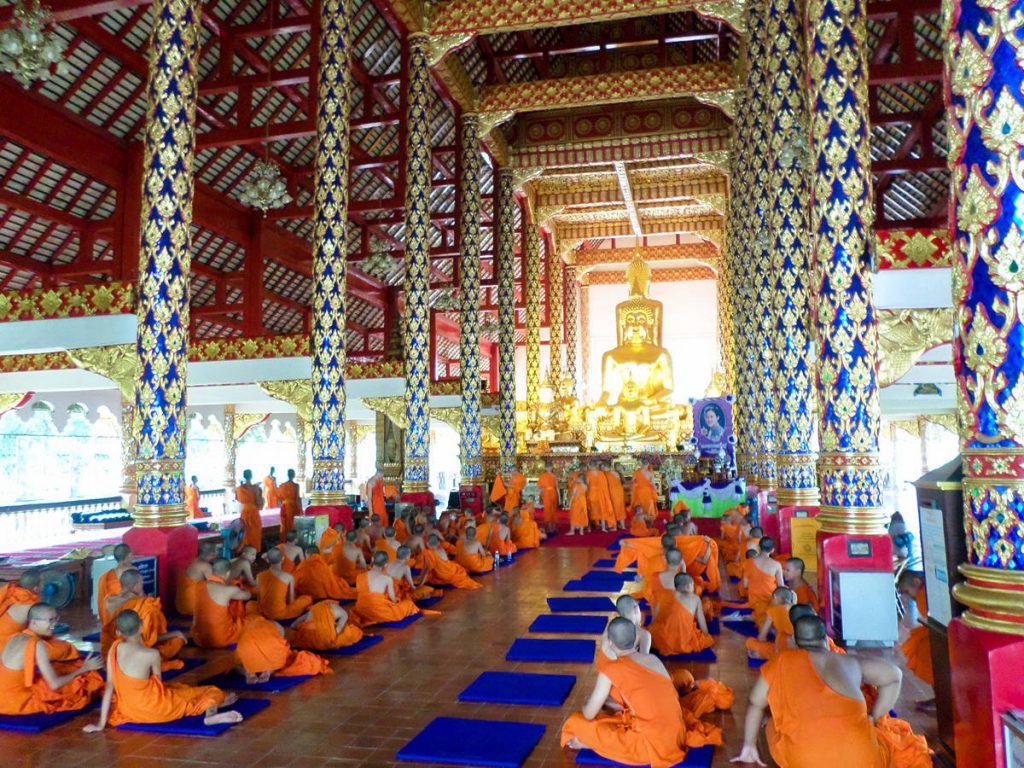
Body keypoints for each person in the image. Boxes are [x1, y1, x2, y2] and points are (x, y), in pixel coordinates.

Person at [731, 616, 931, 767]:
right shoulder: (849, 661)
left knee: (771, 724)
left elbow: (755, 703)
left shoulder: (782, 661)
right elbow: (894, 675)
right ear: (826, 640)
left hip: (806, 760)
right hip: (863, 760)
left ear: (795, 643)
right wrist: (874, 716)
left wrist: (748, 744)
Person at [561, 617, 689, 767]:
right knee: (612, 717)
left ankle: (587, 743)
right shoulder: (654, 659)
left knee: (575, 722)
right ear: (635, 639)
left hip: (649, 746)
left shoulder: (611, 669)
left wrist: (586, 703)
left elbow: (589, 714)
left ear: (610, 643)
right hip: (678, 734)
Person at [84, 609, 240, 730]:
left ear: (118, 632)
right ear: (142, 625)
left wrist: (100, 724)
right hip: (157, 708)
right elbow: (158, 684)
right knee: (212, 691)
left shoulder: (114, 648)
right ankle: (211, 713)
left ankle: (213, 707)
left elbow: (110, 685)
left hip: (130, 710)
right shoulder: (152, 654)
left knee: (181, 689)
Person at [0, 603, 103, 715]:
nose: (54, 624)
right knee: (81, 686)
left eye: (55, 619)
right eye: (50, 620)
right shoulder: (36, 644)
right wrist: (84, 668)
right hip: (17, 702)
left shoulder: (14, 636)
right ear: (34, 622)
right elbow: (54, 684)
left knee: (61, 669)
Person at [101, 569, 187, 664]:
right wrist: (175, 633)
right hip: (134, 649)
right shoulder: (144, 603)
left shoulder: (108, 599)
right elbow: (149, 638)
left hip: (111, 651)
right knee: (177, 639)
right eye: (141, 584)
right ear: (136, 585)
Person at [0, 571, 81, 662]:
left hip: (9, 638)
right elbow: (42, 631)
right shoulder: (31, 606)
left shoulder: (10, 592)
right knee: (65, 648)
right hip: (7, 646)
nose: (45, 586)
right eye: (43, 583)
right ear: (36, 589)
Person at [234, 614, 330, 684]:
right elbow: (281, 642)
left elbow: (239, 643)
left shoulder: (246, 626)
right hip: (269, 647)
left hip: (247, 648)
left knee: (237, 662)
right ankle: (269, 669)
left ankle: (248, 672)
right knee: (285, 654)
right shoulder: (274, 624)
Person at [191, 559, 252, 649]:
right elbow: (248, 595)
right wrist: (240, 586)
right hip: (222, 638)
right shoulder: (230, 590)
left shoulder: (198, 585)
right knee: (253, 619)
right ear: (228, 573)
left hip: (199, 638)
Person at [351, 551, 422, 626]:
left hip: (362, 611)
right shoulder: (387, 578)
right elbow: (393, 599)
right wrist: (396, 600)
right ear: (386, 564)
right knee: (409, 604)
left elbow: (362, 594)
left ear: (372, 559)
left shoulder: (360, 576)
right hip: (380, 612)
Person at [649, 574, 714, 656]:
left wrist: (651, 630)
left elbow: (655, 617)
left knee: (654, 630)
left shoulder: (663, 594)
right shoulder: (695, 598)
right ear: (688, 586)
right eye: (693, 585)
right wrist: (706, 635)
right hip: (684, 640)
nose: (694, 588)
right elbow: (701, 621)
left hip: (664, 641)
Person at [898, 570, 934, 696]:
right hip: (932, 629)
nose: (909, 597)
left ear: (916, 582)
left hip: (939, 632)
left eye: (907, 591)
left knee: (925, 655)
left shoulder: (924, 593)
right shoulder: (922, 593)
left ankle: (940, 698)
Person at [257, 548, 313, 621]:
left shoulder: (259, 576)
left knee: (250, 604)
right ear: (282, 559)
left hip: (263, 612)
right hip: (279, 614)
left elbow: (258, 600)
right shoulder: (288, 577)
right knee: (307, 599)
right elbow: (291, 601)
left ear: (268, 560)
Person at [287, 601, 364, 651]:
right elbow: (338, 630)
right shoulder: (343, 613)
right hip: (325, 637)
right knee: (354, 631)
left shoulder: (315, 609)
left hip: (309, 632)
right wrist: (329, 629)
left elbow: (293, 625)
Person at [745, 587, 797, 660]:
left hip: (783, 652)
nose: (770, 602)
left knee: (749, 642)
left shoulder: (773, 610)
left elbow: (762, 637)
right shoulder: (799, 609)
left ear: (775, 597)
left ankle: (763, 654)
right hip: (803, 652)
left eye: (771, 599)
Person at [744, 536, 784, 625]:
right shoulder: (777, 565)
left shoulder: (749, 562)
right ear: (772, 550)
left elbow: (745, 585)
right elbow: (781, 587)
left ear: (758, 547)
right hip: (770, 600)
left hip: (753, 600)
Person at [175, 541, 218, 616]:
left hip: (180, 606)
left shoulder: (191, 561)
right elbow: (216, 585)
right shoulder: (205, 566)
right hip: (194, 607)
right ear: (212, 554)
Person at [97, 543, 134, 625]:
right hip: (129, 608)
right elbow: (138, 592)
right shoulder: (133, 571)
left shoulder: (106, 576)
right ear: (129, 555)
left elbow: (102, 598)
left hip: (110, 608)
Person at [236, 470, 263, 551]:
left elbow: (238, 499)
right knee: (254, 532)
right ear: (251, 476)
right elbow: (259, 502)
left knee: (245, 531)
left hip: (245, 511)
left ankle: (245, 550)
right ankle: (254, 550)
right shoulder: (255, 488)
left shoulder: (239, 488)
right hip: (254, 511)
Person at [586, 461, 614, 531]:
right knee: (602, 510)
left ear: (590, 466)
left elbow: (587, 485)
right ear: (596, 466)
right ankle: (603, 528)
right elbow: (605, 484)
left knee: (590, 510)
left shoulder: (588, 474)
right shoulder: (601, 473)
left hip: (592, 494)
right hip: (601, 495)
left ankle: (589, 528)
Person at [277, 469, 302, 536]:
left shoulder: (282, 485)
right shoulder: (296, 486)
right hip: (293, 507)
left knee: (285, 523)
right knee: (292, 523)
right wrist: (301, 510)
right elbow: (298, 499)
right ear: (293, 475)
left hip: (284, 506)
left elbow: (279, 498)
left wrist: (284, 503)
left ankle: (284, 538)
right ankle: (292, 539)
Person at [537, 463, 560, 533]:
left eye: (550, 467)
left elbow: (557, 487)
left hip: (553, 493)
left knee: (553, 509)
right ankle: (550, 527)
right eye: (548, 467)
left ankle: (554, 526)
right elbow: (540, 487)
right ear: (546, 468)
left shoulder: (554, 476)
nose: (549, 469)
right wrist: (540, 496)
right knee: (547, 510)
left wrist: (559, 497)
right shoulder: (543, 476)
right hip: (546, 494)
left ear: (552, 468)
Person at [605, 463, 627, 530]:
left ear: (607, 467)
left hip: (613, 492)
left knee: (613, 509)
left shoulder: (608, 474)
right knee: (620, 508)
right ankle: (622, 526)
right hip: (619, 492)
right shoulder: (616, 473)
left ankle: (614, 526)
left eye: (604, 468)